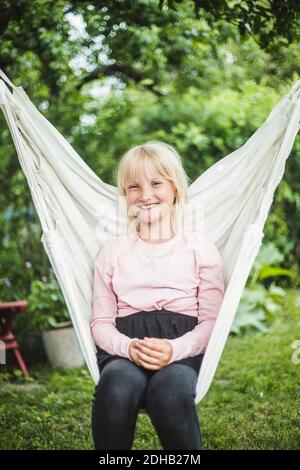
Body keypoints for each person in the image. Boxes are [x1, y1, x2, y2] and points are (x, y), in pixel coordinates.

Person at [90, 140, 225, 450]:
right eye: (134, 187)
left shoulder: (199, 248)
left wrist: (175, 349)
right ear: (125, 196)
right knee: (116, 387)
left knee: (170, 392)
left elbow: (211, 320)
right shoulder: (112, 252)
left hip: (183, 347)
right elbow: (100, 321)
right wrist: (127, 347)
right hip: (125, 348)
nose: (146, 194)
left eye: (156, 183)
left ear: (175, 188)